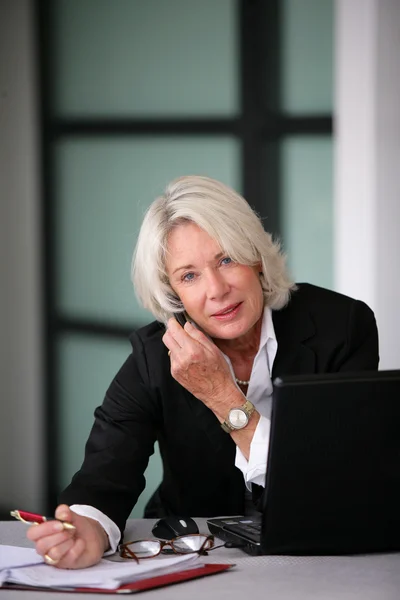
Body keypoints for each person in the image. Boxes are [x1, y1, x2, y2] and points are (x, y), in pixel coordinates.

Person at [27, 175, 379, 568]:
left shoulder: (342, 327)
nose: (216, 290)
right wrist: (87, 529)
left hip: (320, 556)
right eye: (189, 275)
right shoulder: (154, 356)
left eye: (226, 259)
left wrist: (221, 395)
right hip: (192, 551)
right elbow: (104, 477)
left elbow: (333, 485)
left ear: (257, 257)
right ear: (173, 292)